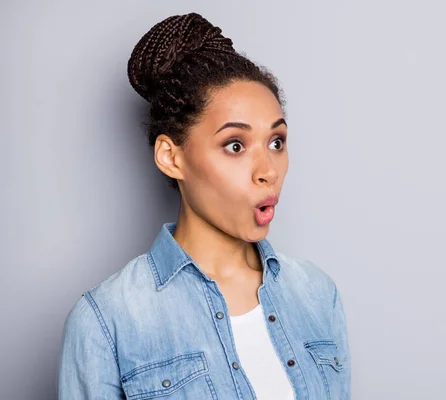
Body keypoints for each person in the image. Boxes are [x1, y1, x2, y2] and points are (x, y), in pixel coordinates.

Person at [58, 12, 351, 400]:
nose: (268, 172)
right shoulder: (107, 320)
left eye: (276, 142)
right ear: (171, 157)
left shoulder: (316, 293)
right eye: (235, 145)